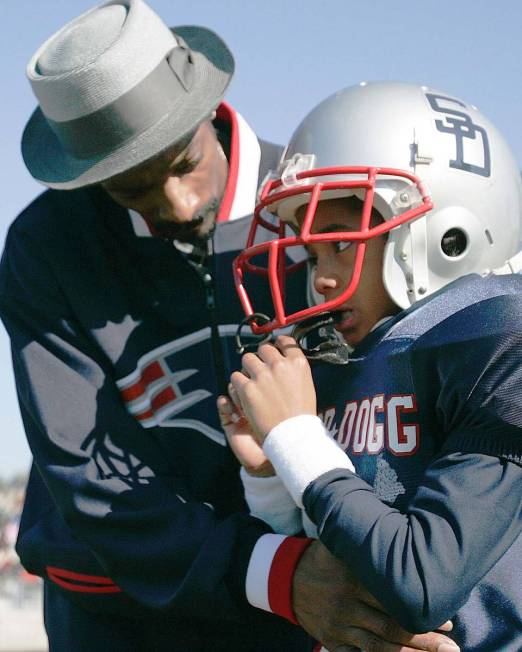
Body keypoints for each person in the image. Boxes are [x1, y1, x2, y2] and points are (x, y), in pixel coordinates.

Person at [0, 2, 459, 650]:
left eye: (184, 162)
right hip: (122, 610)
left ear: (206, 110)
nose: (179, 203)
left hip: (305, 593)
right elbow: (86, 471)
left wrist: (404, 564)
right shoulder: (46, 246)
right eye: (134, 188)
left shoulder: (320, 197)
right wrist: (278, 574)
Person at [222, 81, 522, 651]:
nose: (322, 279)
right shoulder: (350, 353)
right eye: (313, 256)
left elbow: (421, 581)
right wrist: (270, 474)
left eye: (340, 244)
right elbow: (341, 547)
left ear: (443, 238)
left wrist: (295, 437)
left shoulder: (498, 340)